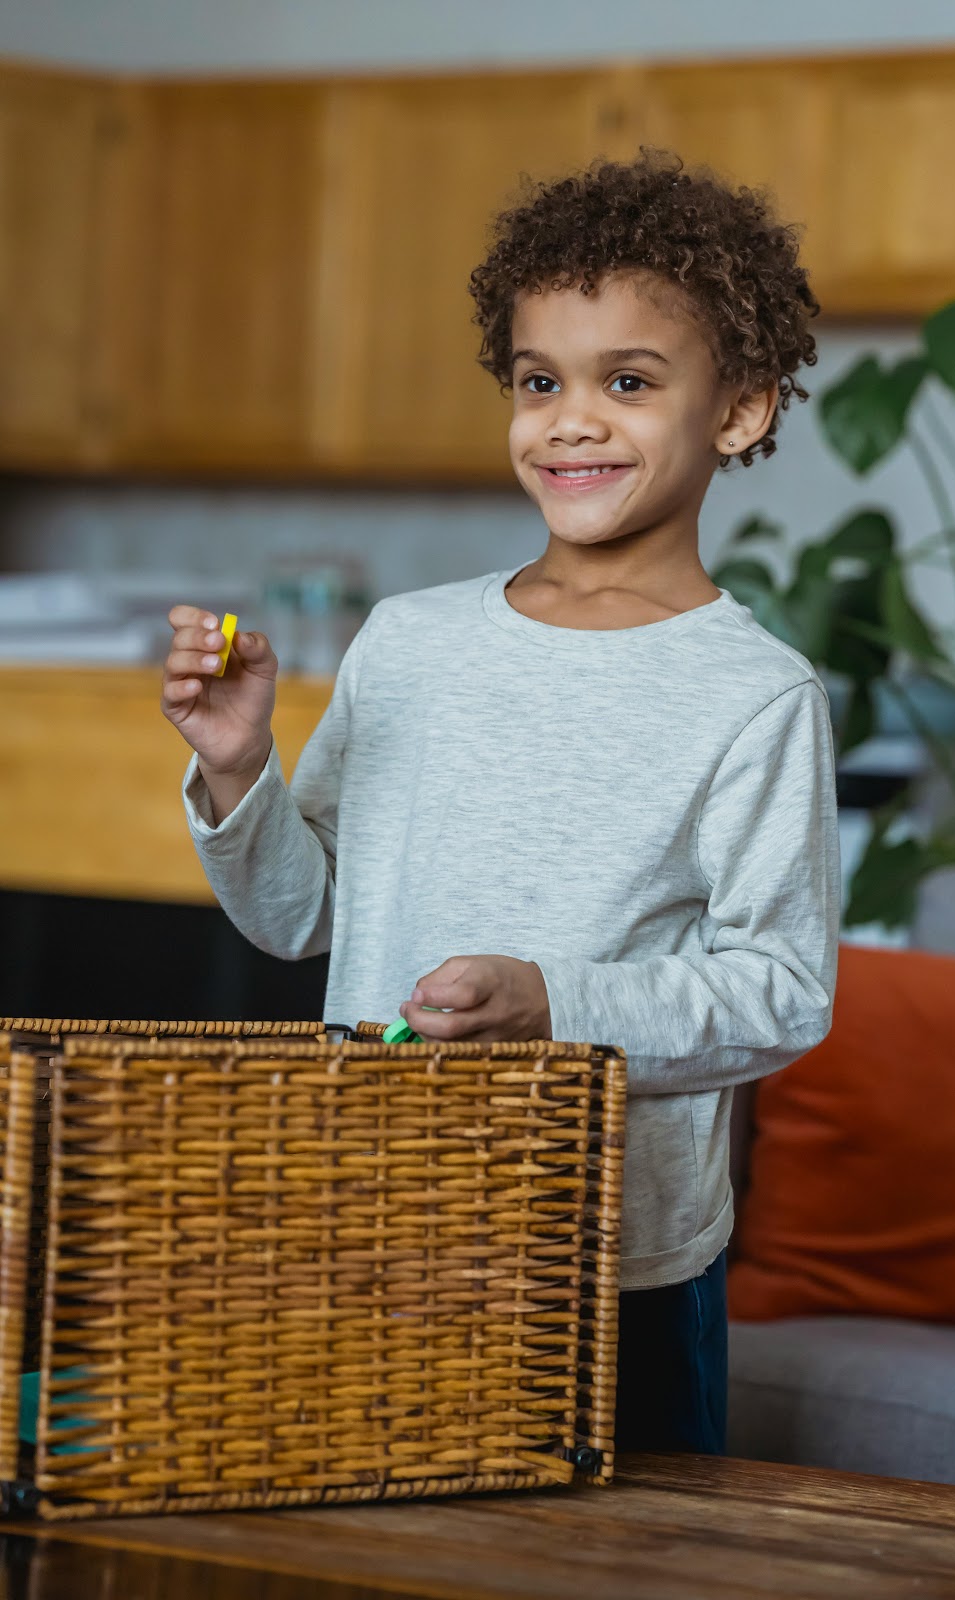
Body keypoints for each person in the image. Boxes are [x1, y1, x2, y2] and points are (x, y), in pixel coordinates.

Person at [162, 147, 840, 1456]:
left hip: (607, 1254)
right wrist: (240, 766)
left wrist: (554, 1005)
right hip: (371, 1214)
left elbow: (782, 990)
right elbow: (304, 921)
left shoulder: (755, 695)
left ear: (742, 410)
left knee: (615, 1568)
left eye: (627, 384)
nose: (569, 421)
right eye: (540, 382)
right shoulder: (407, 643)